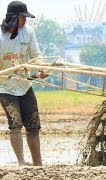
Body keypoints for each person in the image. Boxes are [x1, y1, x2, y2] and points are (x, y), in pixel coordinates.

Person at [0, 1, 46, 166]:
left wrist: (41, 68)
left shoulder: (28, 31)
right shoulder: (0, 36)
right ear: (13, 18)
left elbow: (36, 54)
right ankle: (21, 162)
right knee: (16, 123)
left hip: (25, 85)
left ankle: (38, 163)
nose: (25, 21)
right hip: (5, 87)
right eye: (22, 18)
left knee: (34, 125)